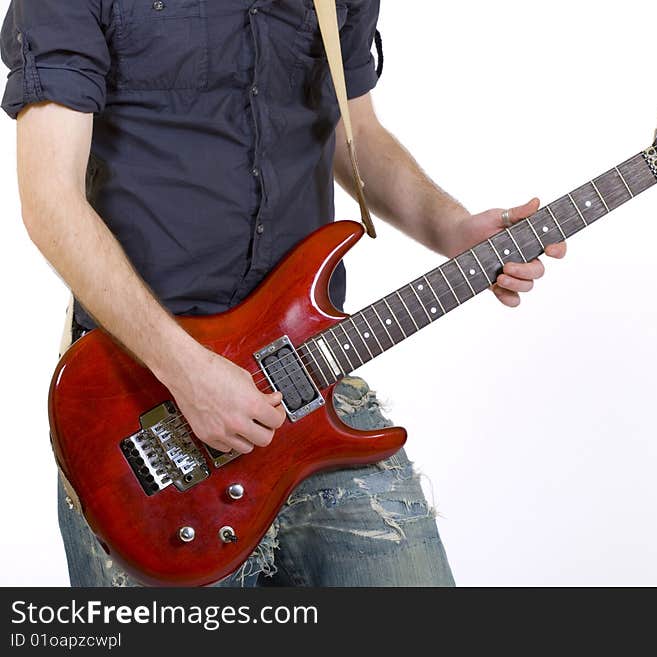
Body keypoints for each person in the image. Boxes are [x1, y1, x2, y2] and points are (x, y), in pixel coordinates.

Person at [2, 0, 565, 587]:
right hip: (149, 406)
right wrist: (189, 373)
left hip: (306, 382)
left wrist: (452, 228)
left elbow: (357, 130)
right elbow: (49, 200)